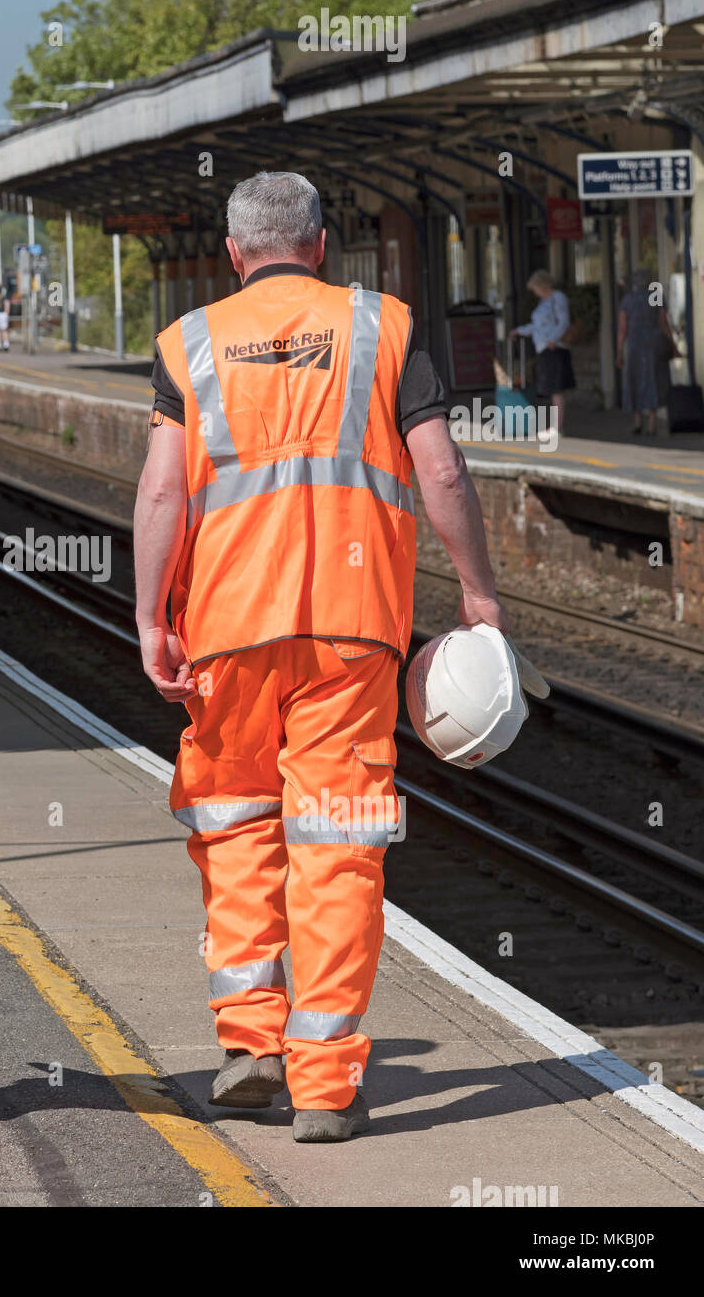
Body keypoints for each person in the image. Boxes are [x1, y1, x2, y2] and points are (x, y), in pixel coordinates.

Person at [135, 171, 507, 1142]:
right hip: (353, 631)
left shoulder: (190, 344)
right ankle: (328, 1086)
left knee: (237, 824)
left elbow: (163, 496)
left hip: (225, 629)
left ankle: (252, 1044)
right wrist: (478, 591)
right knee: (338, 842)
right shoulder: (384, 327)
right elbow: (441, 468)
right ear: (323, 244)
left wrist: (148, 617)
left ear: (231, 254)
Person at [508, 269, 572, 445]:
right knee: (552, 387)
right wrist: (519, 330)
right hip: (544, 348)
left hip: (554, 347)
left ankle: (557, 428)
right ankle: (555, 426)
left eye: (535, 287)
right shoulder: (543, 302)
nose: (534, 291)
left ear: (542, 285)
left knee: (557, 388)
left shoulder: (557, 298)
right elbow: (536, 326)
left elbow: (564, 321)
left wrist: (553, 339)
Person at [617, 270, 678, 436]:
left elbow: (622, 329)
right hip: (654, 344)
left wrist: (619, 352)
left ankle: (637, 421)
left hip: (635, 344)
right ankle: (652, 423)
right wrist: (673, 345)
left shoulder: (628, 300)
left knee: (634, 379)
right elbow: (664, 323)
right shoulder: (655, 296)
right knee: (653, 380)